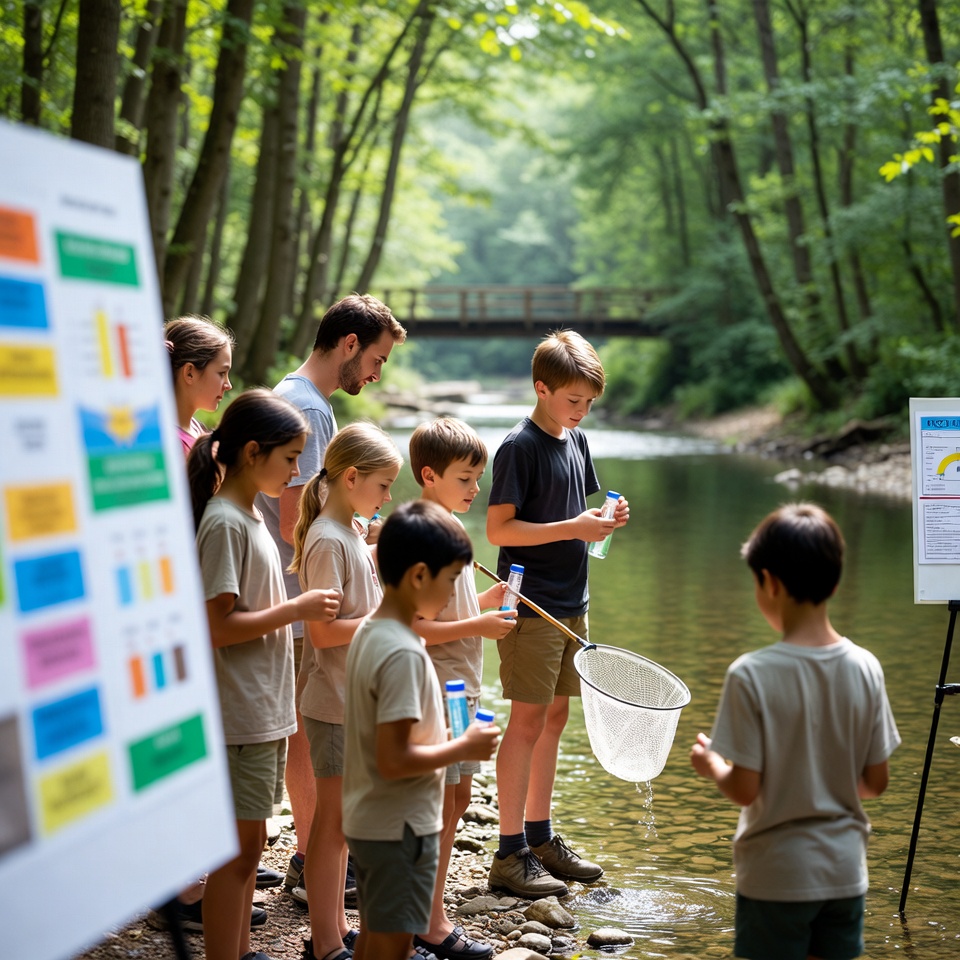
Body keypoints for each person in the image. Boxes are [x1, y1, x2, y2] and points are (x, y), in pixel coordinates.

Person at [690, 502, 901, 960]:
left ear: (769, 581)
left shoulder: (750, 674)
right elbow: (876, 782)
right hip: (846, 873)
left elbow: (746, 789)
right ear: (836, 580)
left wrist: (713, 766)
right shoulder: (867, 667)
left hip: (776, 876)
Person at [255, 293, 406, 897]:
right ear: (349, 345)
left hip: (292, 596)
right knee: (308, 730)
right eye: (376, 359)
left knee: (300, 729)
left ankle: (313, 852)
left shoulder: (289, 392)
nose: (377, 373)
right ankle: (316, 855)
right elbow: (301, 514)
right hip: (300, 601)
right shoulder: (311, 411)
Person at [188, 388, 341, 960]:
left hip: (264, 711)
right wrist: (297, 610)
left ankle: (240, 950)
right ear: (253, 452)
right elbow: (217, 625)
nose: (298, 471)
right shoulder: (225, 522)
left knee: (250, 846)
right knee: (238, 851)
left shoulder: (249, 513)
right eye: (290, 458)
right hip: (239, 712)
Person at [485, 329, 629, 899]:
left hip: (574, 602)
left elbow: (580, 512)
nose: (581, 411)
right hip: (531, 606)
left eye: (589, 403)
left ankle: (541, 837)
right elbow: (499, 529)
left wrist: (605, 517)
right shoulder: (519, 447)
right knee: (525, 722)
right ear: (541, 389)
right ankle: (508, 850)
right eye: (573, 401)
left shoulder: (576, 439)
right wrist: (575, 526)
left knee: (554, 719)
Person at [343, 500, 502, 960]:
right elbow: (395, 759)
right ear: (417, 576)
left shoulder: (371, 632)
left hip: (369, 818)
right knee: (393, 945)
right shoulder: (404, 653)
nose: (455, 593)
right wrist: (462, 747)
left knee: (375, 934)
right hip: (401, 827)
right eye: (452, 580)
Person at [287, 423, 404, 960]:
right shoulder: (329, 540)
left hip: (354, 701)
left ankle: (332, 926)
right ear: (351, 477)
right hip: (332, 701)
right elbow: (324, 631)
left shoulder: (350, 532)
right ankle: (326, 942)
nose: (386, 498)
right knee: (332, 828)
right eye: (382, 486)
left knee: (343, 825)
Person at [406, 417, 515, 959]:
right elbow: (415, 626)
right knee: (439, 804)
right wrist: (477, 626)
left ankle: (429, 909)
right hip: (440, 688)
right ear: (430, 475)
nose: (477, 489)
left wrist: (486, 605)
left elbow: (452, 603)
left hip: (463, 688)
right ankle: (427, 918)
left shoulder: (451, 528)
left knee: (458, 799)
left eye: (479, 479)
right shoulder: (426, 533)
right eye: (467, 479)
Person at [164, 315, 234, 455]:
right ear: (190, 373)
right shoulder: (171, 445)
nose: (228, 385)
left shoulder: (196, 428)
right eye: (221, 373)